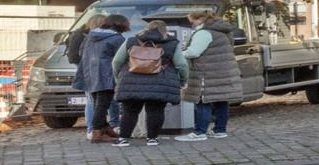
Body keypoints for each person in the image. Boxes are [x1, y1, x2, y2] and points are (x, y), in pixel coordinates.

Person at [110, 19, 188, 147]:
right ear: (165, 30)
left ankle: (123, 138)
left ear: (146, 28)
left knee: (129, 111)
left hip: (131, 81)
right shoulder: (172, 43)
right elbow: (181, 64)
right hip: (160, 81)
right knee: (156, 110)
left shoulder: (131, 41)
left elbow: (116, 62)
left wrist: (119, 78)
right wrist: (183, 80)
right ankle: (152, 138)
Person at [175, 10, 244, 141]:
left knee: (202, 101)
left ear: (200, 19)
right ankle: (220, 130)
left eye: (193, 21)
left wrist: (179, 54)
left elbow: (194, 52)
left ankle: (199, 132)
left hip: (206, 72)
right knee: (221, 101)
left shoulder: (204, 33)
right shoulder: (222, 31)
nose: (192, 24)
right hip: (223, 72)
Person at [72, 16, 129, 143]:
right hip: (106, 75)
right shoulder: (117, 39)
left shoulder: (90, 37)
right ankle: (97, 132)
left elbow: (81, 53)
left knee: (98, 103)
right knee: (102, 105)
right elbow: (121, 58)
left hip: (90, 74)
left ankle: (104, 127)